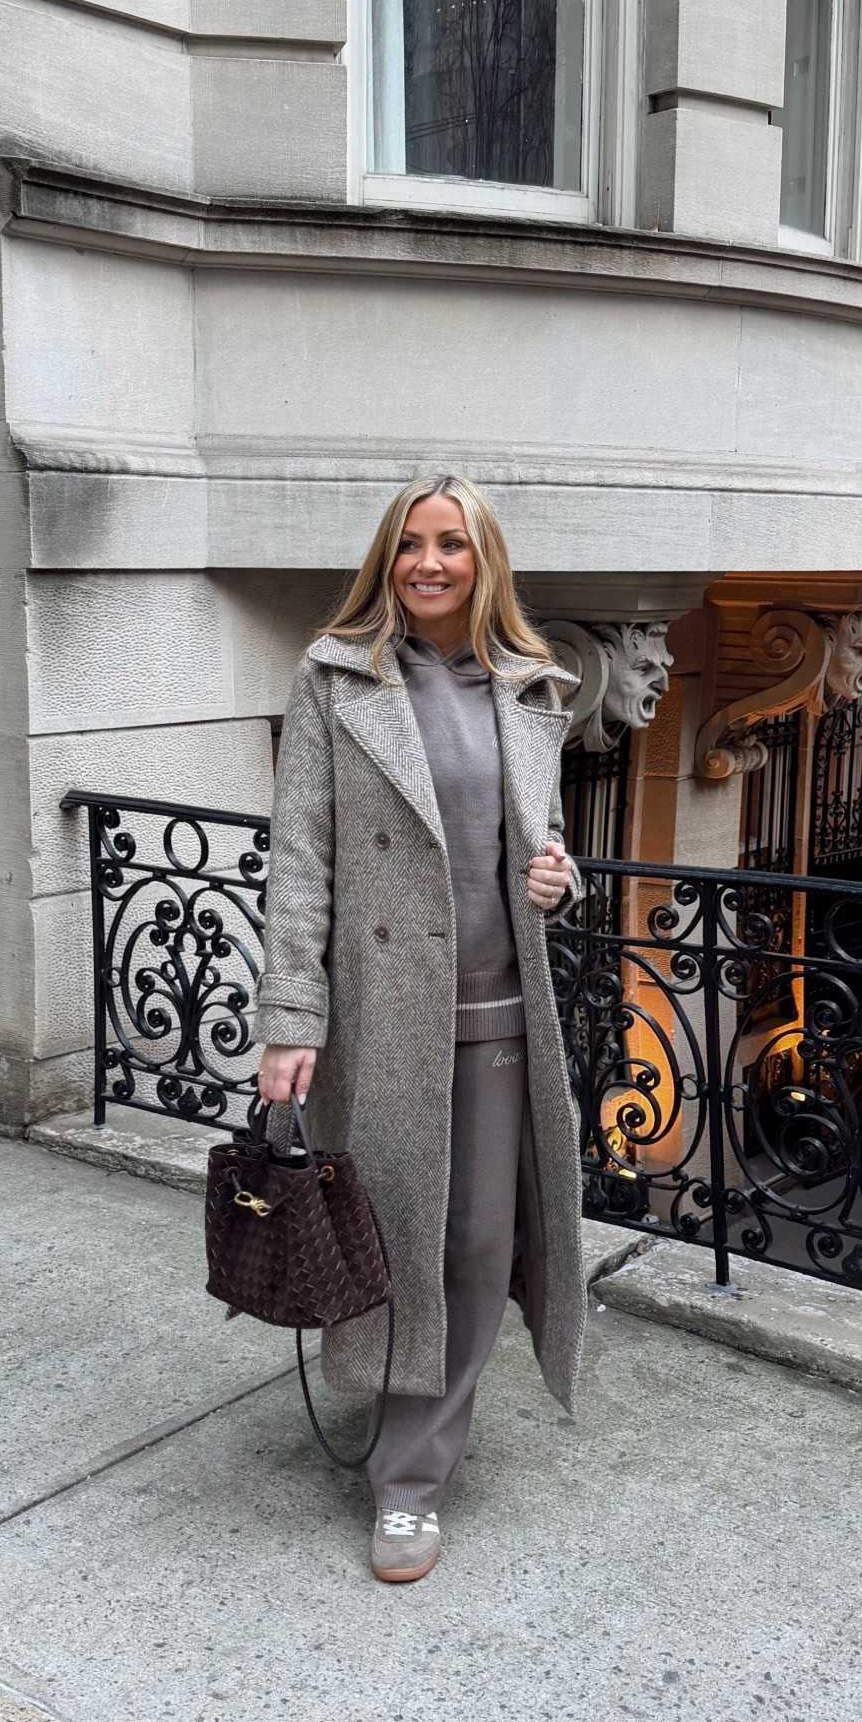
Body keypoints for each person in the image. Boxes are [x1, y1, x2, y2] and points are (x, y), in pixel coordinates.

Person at [252, 472, 583, 1584]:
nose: (428, 563)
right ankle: (399, 1441)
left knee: (479, 1245)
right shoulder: (336, 677)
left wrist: (559, 878)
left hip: (500, 1012)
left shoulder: (533, 687)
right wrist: (290, 1015)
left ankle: (411, 1475)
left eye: (451, 544)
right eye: (410, 543)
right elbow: (299, 856)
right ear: (385, 559)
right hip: (384, 1012)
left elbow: (544, 840)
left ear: (483, 560)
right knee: (396, 1237)